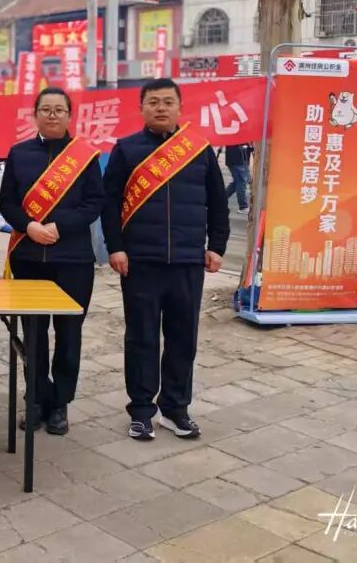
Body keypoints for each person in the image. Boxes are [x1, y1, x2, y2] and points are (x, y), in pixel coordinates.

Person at [102, 78, 229, 442]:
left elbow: (217, 202)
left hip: (188, 261)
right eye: (154, 102)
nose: (161, 108)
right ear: (142, 108)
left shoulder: (199, 150)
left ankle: (175, 409)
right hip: (140, 261)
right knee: (141, 337)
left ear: (179, 107)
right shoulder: (126, 149)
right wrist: (115, 247)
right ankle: (141, 411)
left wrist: (217, 246)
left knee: (183, 338)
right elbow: (110, 203)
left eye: (168, 102)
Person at [0, 87, 104, 436]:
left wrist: (59, 226)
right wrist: (28, 226)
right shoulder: (19, 154)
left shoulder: (84, 156)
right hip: (29, 257)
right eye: (46, 109)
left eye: (59, 109)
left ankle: (60, 403)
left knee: (69, 333)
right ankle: (36, 398)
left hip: (73, 259)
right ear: (35, 115)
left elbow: (94, 203)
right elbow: (6, 202)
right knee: (33, 333)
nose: (53, 115)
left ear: (69, 115)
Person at [222, 144, 253, 212]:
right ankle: (243, 206)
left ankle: (220, 199)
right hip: (237, 158)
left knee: (236, 182)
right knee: (240, 182)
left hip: (237, 157)